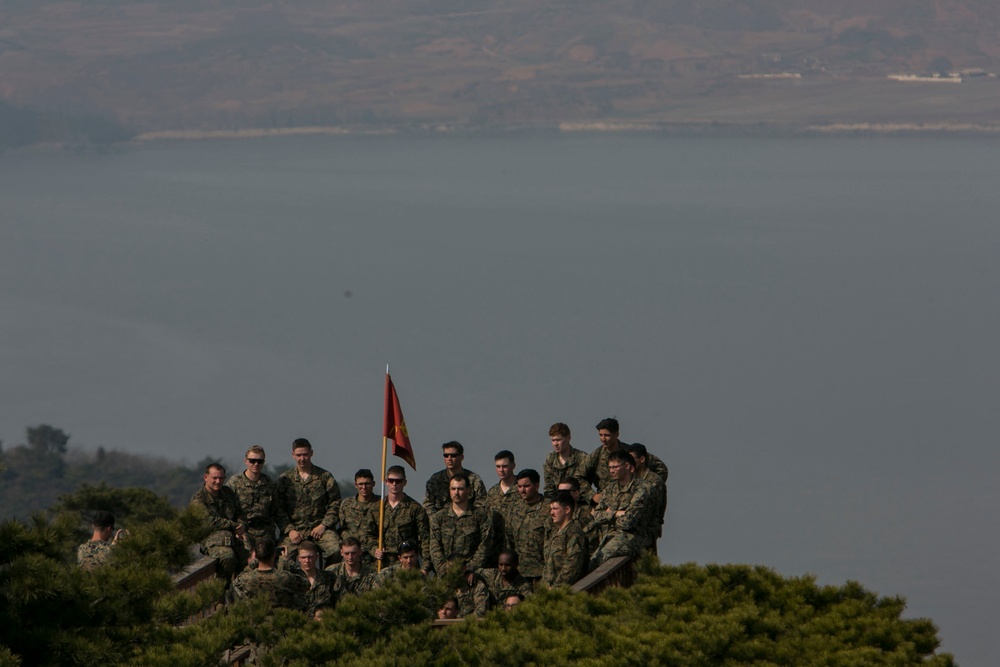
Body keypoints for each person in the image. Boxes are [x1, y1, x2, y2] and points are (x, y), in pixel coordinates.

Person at [276, 438, 341, 561]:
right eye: (299, 455)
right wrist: (289, 530)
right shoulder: (284, 480)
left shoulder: (324, 477)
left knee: (336, 550)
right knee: (282, 558)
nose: (302, 458)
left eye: (305, 454)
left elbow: (335, 503)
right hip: (294, 530)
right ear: (293, 455)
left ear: (311, 453)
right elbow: (278, 509)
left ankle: (325, 578)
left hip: (319, 529)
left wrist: (324, 525)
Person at [590, 450, 653, 568]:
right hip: (609, 536)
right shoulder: (610, 489)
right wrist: (616, 514)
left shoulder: (641, 489)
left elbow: (628, 522)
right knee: (590, 561)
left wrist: (608, 514)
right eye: (610, 467)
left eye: (615, 467)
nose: (611, 471)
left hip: (632, 539)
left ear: (627, 466)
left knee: (600, 559)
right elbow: (597, 516)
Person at [586, 418, 668, 503]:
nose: (603, 439)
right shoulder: (596, 455)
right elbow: (579, 477)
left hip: (630, 500)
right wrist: (593, 495)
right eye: (600, 435)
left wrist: (646, 488)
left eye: (607, 435)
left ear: (616, 434)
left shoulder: (629, 452)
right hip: (606, 501)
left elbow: (661, 468)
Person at [429, 473, 495, 575]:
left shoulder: (480, 516)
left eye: (460, 489)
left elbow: (485, 546)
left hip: (472, 574)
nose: (456, 492)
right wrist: (443, 570)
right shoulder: (439, 517)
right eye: (453, 489)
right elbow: (435, 547)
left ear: (469, 490)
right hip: (446, 574)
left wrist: (469, 569)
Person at [190, 462, 247, 578]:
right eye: (214, 478)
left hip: (234, 537)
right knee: (227, 557)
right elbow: (210, 521)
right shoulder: (199, 500)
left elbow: (240, 513)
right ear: (206, 478)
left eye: (221, 478)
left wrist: (242, 526)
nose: (218, 481)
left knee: (250, 558)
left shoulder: (228, 493)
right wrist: (234, 525)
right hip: (212, 539)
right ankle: (222, 588)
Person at [373, 466, 430, 571]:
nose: (394, 484)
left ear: (404, 482)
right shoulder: (377, 508)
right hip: (383, 562)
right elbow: (368, 534)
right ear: (386, 482)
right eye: (391, 480)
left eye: (398, 481)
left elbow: (425, 540)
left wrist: (425, 567)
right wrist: (374, 550)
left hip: (408, 563)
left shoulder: (415, 509)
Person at [230, 536, 308, 610]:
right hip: (279, 621)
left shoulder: (245, 579)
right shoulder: (285, 577)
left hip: (255, 621)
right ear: (274, 555)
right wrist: (287, 561)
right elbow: (305, 583)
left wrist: (253, 563)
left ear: (256, 556)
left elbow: (236, 584)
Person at [225, 445, 279, 545]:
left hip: (265, 532)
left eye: (259, 461)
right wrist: (235, 529)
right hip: (243, 531)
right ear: (246, 461)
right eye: (252, 461)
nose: (256, 464)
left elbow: (275, 510)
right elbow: (227, 510)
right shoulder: (234, 483)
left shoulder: (269, 483)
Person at [423, 441, 488, 514]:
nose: (449, 458)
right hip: (441, 522)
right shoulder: (435, 480)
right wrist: (437, 521)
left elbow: (481, 504)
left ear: (462, 457)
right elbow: (428, 505)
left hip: (468, 522)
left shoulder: (474, 480)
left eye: (453, 455)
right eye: (446, 455)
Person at [508, 469, 547, 584]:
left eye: (526, 486)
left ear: (536, 485)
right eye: (519, 487)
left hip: (541, 572)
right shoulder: (514, 509)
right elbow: (509, 539)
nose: (522, 490)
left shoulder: (548, 508)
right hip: (519, 573)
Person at [542, 491, 587, 587]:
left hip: (565, 592)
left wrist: (557, 588)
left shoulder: (574, 533)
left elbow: (572, 566)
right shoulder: (554, 533)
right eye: (551, 509)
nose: (551, 513)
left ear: (567, 510)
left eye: (555, 509)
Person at [627, 443, 667, 551]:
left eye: (632, 459)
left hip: (648, 529)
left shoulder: (654, 481)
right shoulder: (630, 479)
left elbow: (651, 511)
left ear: (642, 459)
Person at [542, 423, 592, 504]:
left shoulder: (582, 458)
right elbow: (549, 487)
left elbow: (587, 483)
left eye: (558, 440)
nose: (555, 444)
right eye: (553, 440)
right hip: (558, 504)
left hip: (580, 503)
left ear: (568, 438)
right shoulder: (550, 459)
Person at [339, 469, 380, 563]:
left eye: (367, 484)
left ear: (373, 484)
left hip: (374, 553)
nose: (364, 487)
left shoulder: (381, 504)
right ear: (355, 485)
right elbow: (342, 529)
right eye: (360, 484)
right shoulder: (346, 505)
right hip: (351, 554)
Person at [485, 450, 520, 553]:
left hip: (518, 545)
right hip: (497, 546)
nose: (501, 470)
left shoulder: (522, 489)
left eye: (504, 466)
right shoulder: (492, 492)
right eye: (498, 466)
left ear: (513, 466)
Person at [295, 540, 335, 619]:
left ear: (316, 557)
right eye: (303, 557)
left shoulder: (328, 578)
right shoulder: (293, 578)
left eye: (310, 557)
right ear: (299, 558)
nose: (307, 561)